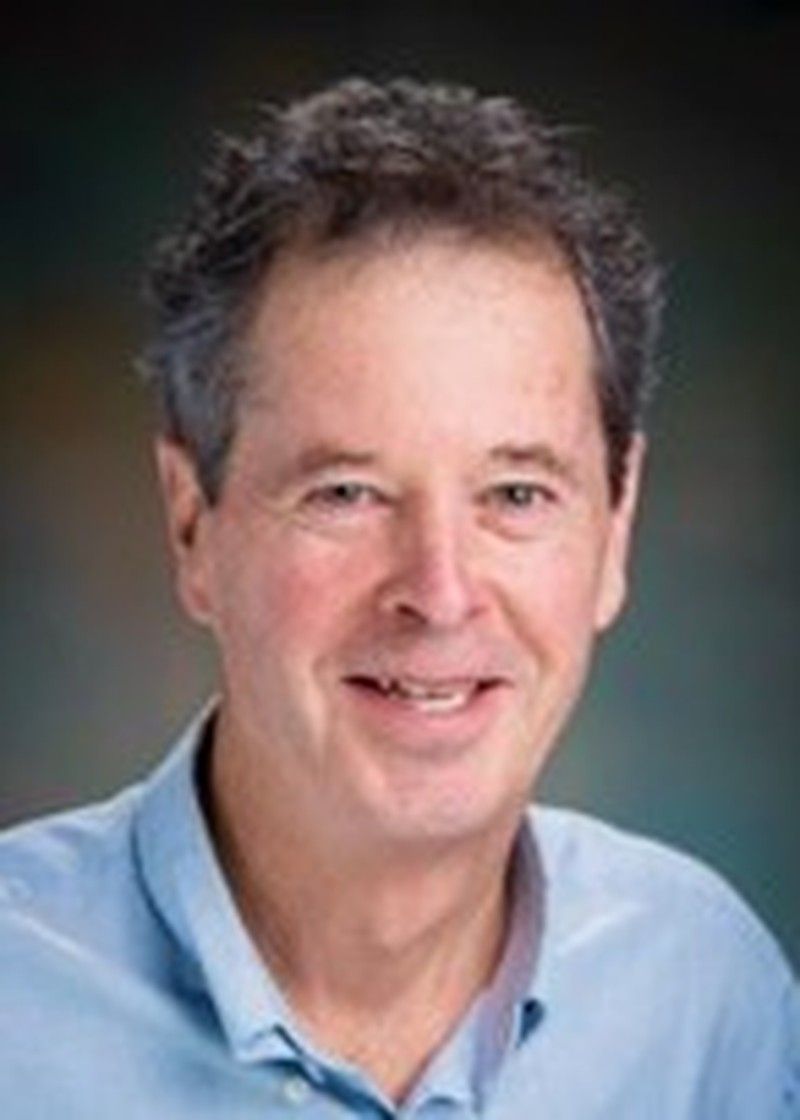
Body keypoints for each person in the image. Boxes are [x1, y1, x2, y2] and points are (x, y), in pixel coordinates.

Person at [0, 78, 797, 1119]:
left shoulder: (703, 995)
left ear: (614, 524)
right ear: (193, 521)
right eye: (346, 493)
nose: (439, 589)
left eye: (515, 493)